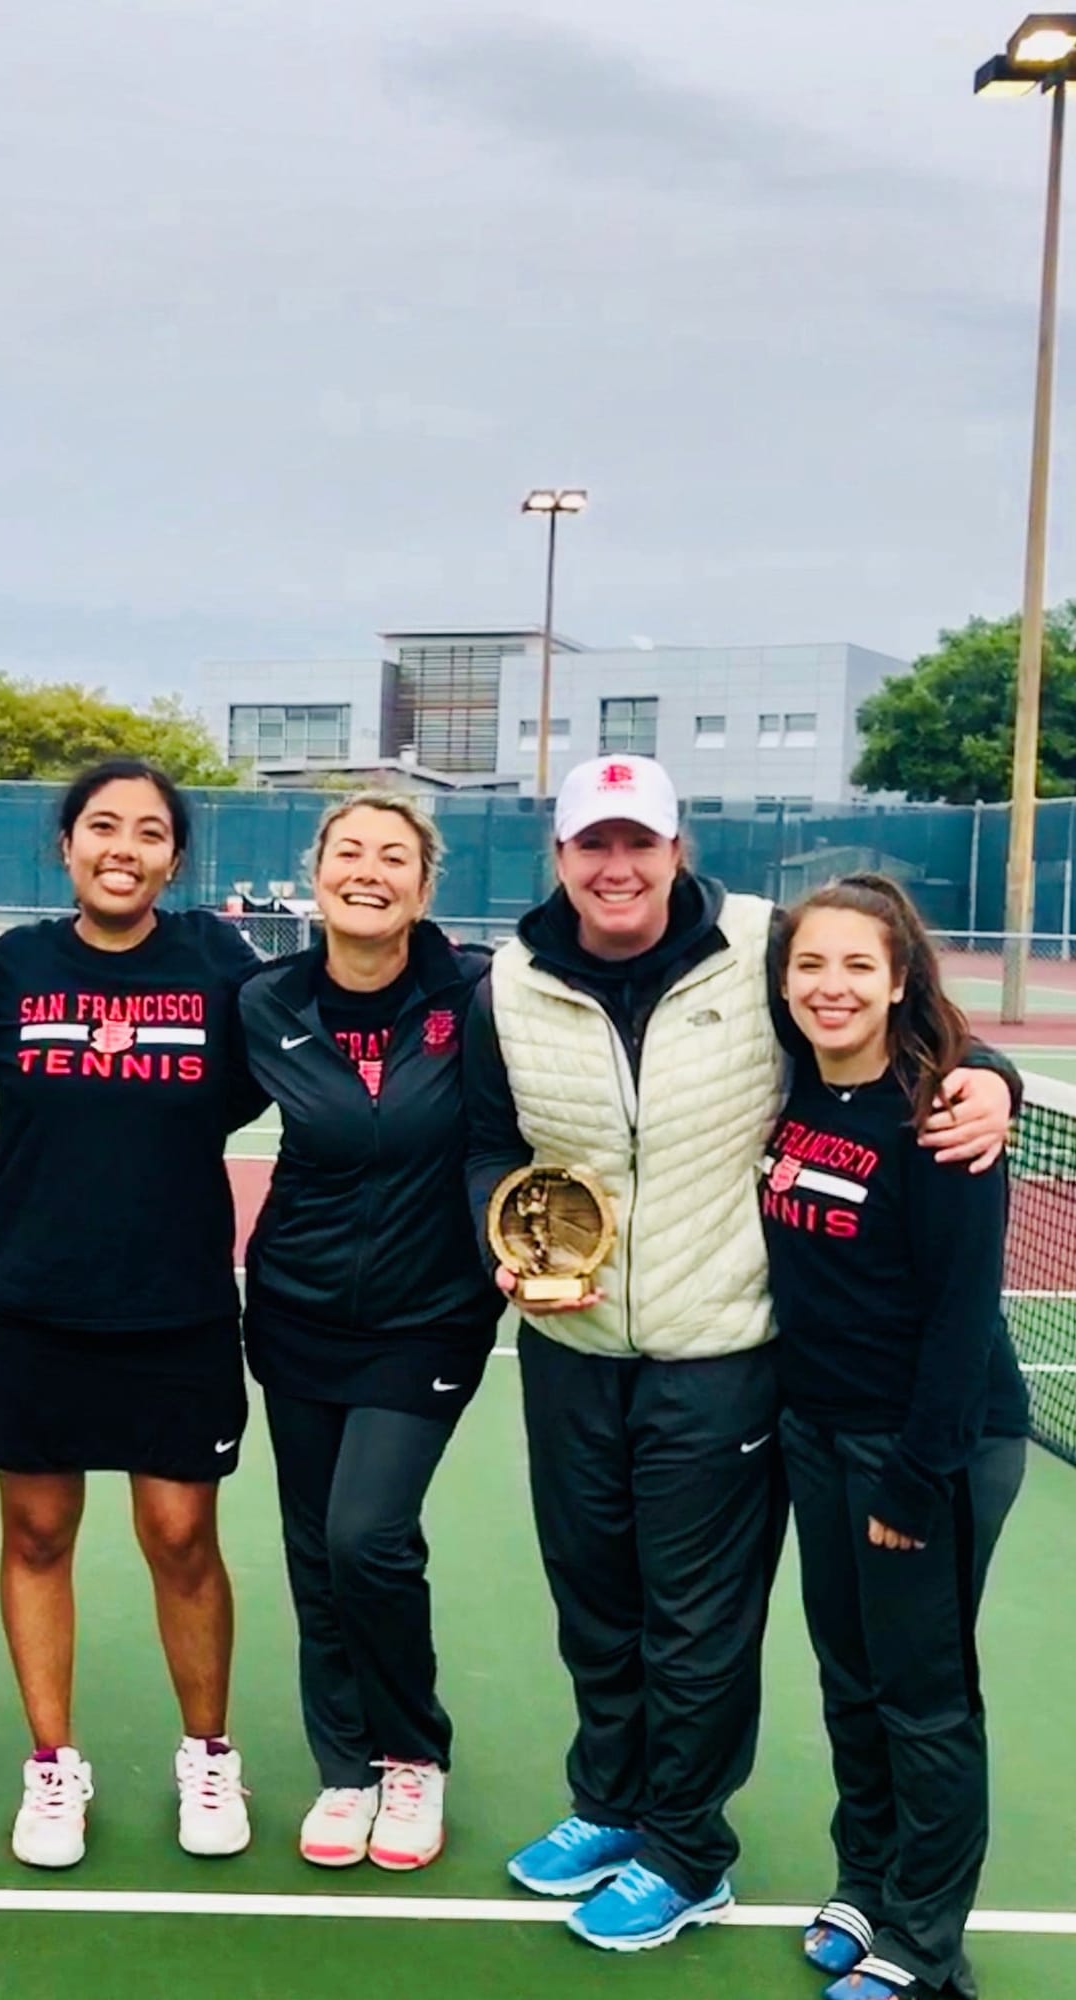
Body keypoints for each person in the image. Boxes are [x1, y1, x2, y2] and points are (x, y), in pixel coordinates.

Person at [463, 754, 1016, 1954]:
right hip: (568, 1341)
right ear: (558, 855)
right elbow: (482, 1139)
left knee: (697, 1618)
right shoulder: (504, 978)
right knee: (593, 1602)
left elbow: (888, 1010)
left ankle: (684, 1847)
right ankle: (609, 1803)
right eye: (591, 844)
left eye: (639, 842)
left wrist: (992, 1075)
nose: (616, 866)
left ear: (676, 851)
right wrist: (496, 1235)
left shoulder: (764, 946)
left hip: (721, 1351)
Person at [0, 758, 266, 1869]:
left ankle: (207, 1750)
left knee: (182, 1538)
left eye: (146, 830)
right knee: (35, 1533)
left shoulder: (218, 964)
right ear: (66, 845)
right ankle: (51, 1765)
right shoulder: (16, 966)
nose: (120, 845)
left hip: (172, 1302)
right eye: (100, 825)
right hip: (27, 1300)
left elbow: (268, 1080)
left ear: (173, 857)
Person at [764, 876, 1029, 2000]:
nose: (829, 986)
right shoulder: (792, 1093)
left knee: (922, 1697)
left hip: (928, 1443)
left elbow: (962, 1313)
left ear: (899, 979)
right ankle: (865, 1879)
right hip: (816, 1433)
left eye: (855, 966)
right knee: (847, 1676)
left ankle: (925, 1943)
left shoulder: (940, 1119)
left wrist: (916, 1476)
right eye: (808, 965)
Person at [238, 793, 501, 1873]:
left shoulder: (481, 990)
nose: (367, 869)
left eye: (393, 855)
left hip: (428, 1313)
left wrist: (984, 1074)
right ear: (315, 874)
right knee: (314, 1552)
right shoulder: (262, 998)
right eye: (348, 849)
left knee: (366, 1535)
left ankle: (410, 1754)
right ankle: (342, 1767)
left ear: (423, 887)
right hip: (294, 1308)